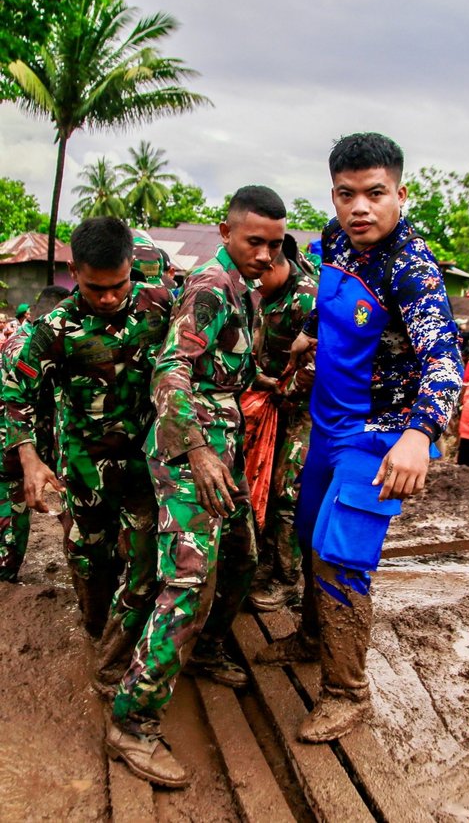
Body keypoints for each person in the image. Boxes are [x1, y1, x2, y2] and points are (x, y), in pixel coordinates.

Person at [257, 133, 463, 743]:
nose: (360, 208)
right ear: (334, 196)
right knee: (305, 532)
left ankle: (348, 693)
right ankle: (313, 638)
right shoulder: (336, 238)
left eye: (375, 194)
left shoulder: (412, 267)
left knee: (341, 555)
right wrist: (306, 335)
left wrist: (418, 434)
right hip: (326, 421)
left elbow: (445, 359)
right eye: (348, 194)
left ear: (400, 193)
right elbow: (333, 303)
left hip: (378, 435)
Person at [105, 185, 287, 788]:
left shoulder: (245, 291)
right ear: (228, 231)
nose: (264, 253)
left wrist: (270, 374)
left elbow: (222, 363)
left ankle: (205, 649)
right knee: (188, 580)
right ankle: (131, 723)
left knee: (242, 554)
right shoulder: (211, 286)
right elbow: (171, 368)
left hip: (221, 438)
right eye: (253, 240)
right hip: (190, 446)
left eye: (274, 244)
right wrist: (200, 449)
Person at [3, 217, 173, 639]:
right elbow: (15, 393)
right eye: (96, 288)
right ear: (74, 272)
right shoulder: (54, 330)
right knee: (89, 555)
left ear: (132, 264)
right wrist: (29, 457)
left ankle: (132, 637)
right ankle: (97, 629)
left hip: (146, 460)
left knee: (148, 553)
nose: (110, 297)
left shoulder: (161, 304)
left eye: (119, 284)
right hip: (86, 464)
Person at [245, 243, 318, 611]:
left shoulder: (306, 299)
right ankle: (269, 562)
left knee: (286, 491)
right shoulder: (265, 296)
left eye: (260, 276)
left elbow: (315, 366)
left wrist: (280, 390)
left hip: (303, 410)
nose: (254, 282)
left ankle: (289, 580)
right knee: (263, 487)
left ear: (276, 263)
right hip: (274, 405)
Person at [0, 286, 70, 581]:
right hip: (14, 446)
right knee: (12, 517)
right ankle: (6, 574)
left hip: (29, 443)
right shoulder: (23, 346)